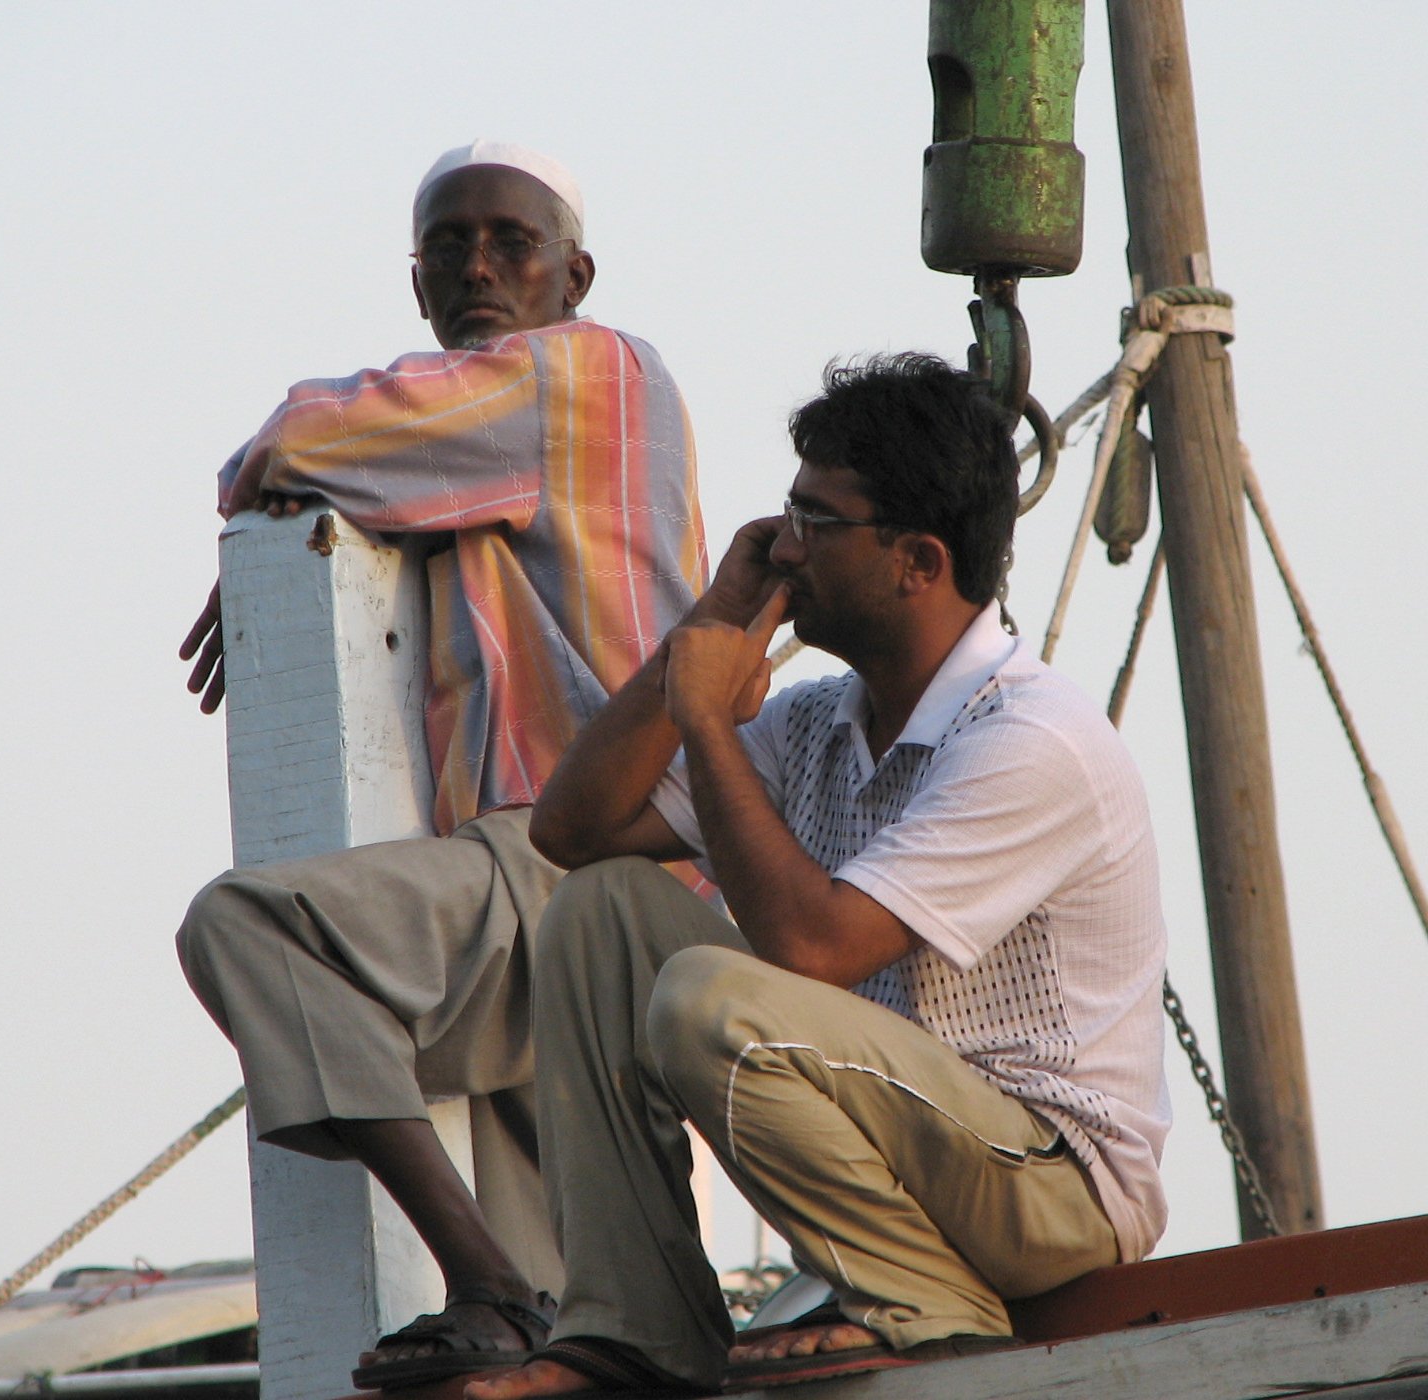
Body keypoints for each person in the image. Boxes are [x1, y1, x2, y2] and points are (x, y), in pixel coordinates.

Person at [473, 353, 1171, 1398]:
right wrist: (706, 624)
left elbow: (814, 947)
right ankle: (632, 1328)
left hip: (1053, 1188)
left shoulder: (1031, 738)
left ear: (918, 562)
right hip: (914, 1148)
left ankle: (930, 1305)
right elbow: (574, 828)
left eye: (819, 520)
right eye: (787, 511)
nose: (785, 546)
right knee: (597, 912)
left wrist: (706, 716)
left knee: (714, 997)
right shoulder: (817, 718)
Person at [174, 142, 707, 1389]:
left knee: (256, 928)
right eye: (447, 246)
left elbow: (303, 436)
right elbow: (350, 472)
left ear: (575, 272)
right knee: (590, 1345)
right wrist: (306, 529)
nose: (476, 263)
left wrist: (284, 497)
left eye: (509, 241)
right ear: (417, 281)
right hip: (554, 897)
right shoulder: (481, 469)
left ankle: (479, 1274)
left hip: (574, 858)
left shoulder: (586, 369)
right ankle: (522, 1300)